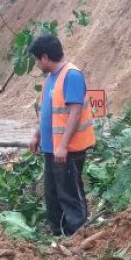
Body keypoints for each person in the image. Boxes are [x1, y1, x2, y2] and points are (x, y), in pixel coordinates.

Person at [28, 35, 95, 236]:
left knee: (69, 194)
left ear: (45, 57)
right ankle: (58, 233)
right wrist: (37, 135)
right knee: (53, 194)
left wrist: (63, 145)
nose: (37, 64)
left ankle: (77, 234)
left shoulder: (72, 75)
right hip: (52, 148)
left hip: (67, 150)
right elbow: (48, 110)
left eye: (37, 59)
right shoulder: (51, 78)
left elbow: (75, 113)